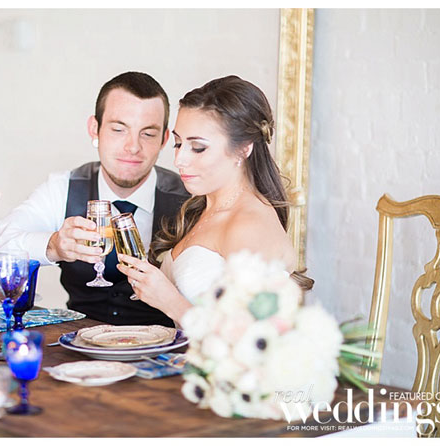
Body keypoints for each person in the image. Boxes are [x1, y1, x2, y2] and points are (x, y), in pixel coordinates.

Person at [0, 71, 190, 327]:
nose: (133, 147)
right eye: (119, 129)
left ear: (164, 139)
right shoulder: (63, 188)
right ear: (95, 129)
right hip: (77, 343)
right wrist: (53, 246)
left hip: (165, 344)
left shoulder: (190, 198)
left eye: (147, 134)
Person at [116, 75, 313, 325]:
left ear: (244, 148)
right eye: (178, 144)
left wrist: (169, 301)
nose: (179, 160)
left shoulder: (250, 224)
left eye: (198, 148)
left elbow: (256, 337)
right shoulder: (201, 208)